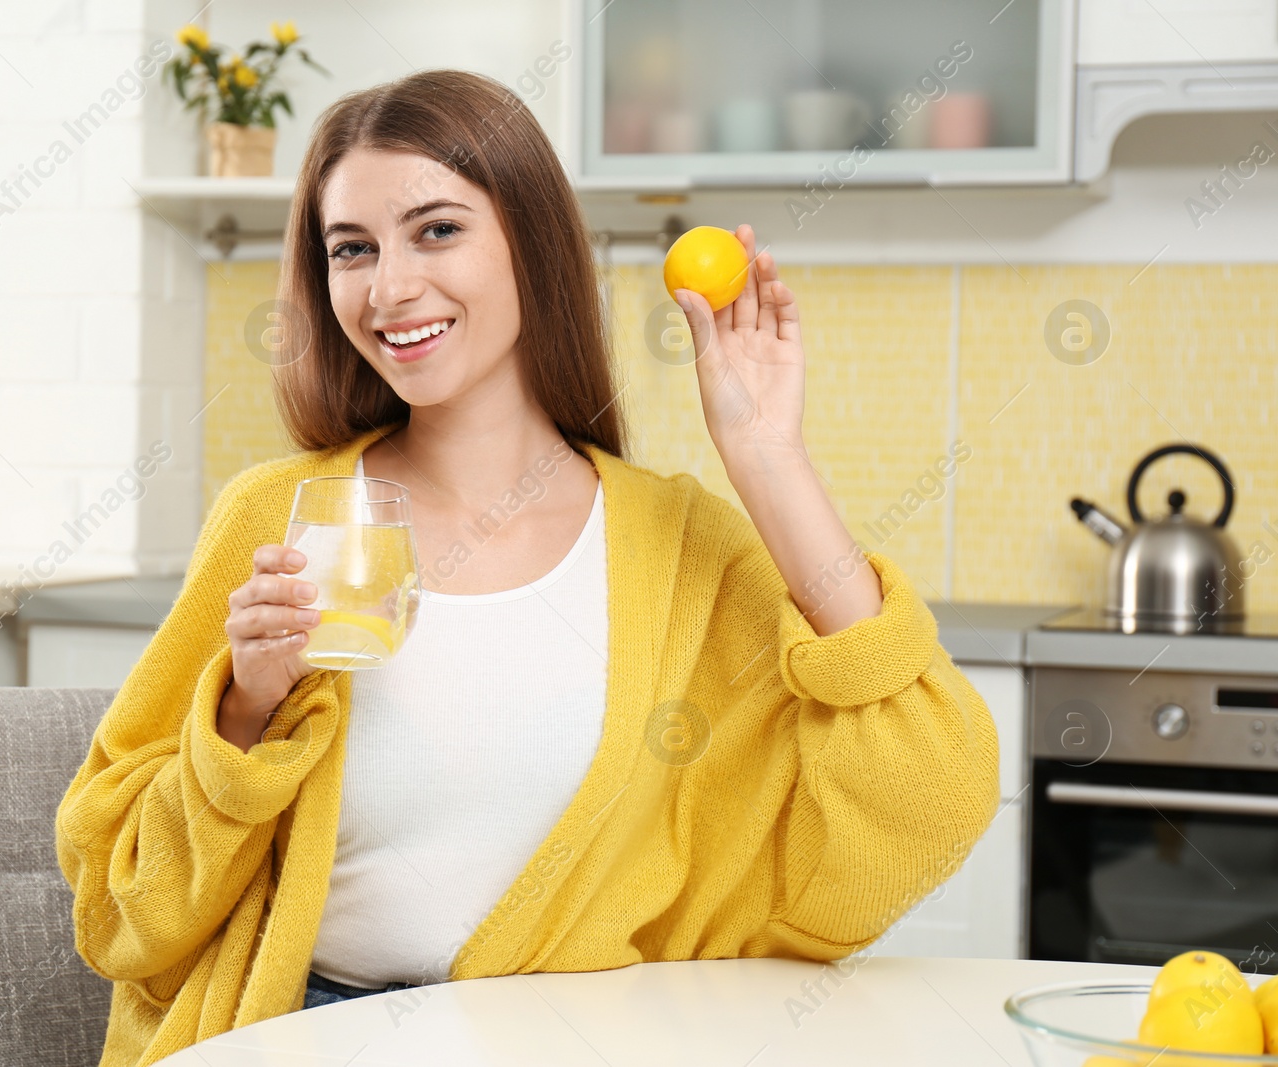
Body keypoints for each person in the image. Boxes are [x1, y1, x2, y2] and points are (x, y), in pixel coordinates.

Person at [54, 68, 999, 1067]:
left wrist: (771, 464)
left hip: (581, 1041)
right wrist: (243, 711)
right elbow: (122, 912)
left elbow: (928, 803)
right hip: (305, 1034)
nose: (388, 289)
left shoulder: (679, 548)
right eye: (351, 249)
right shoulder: (281, 520)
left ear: (531, 243)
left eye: (437, 230)